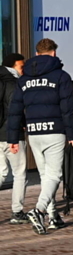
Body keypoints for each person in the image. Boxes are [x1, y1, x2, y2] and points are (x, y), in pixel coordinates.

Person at [7, 38, 73, 234]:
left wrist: (13, 138)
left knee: (46, 176)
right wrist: (72, 134)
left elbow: (15, 110)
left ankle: (53, 216)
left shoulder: (24, 79)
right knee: (54, 175)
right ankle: (38, 211)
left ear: (37, 54)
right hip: (55, 131)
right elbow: (68, 108)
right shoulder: (61, 76)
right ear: (54, 53)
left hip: (34, 132)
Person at [0, 53, 26, 224]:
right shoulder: (13, 83)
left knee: (1, 172)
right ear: (12, 66)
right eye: (21, 66)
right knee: (19, 173)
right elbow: (14, 110)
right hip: (12, 134)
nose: (23, 70)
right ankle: (17, 212)